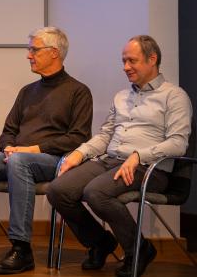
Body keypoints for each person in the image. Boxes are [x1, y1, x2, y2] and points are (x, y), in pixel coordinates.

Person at [0, 26, 93, 274]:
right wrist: (8, 147)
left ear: (54, 53)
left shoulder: (78, 92)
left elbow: (78, 138)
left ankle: (21, 248)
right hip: (17, 157)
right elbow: (9, 129)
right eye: (29, 49)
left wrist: (32, 149)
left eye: (34, 49)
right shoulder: (28, 91)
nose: (28, 55)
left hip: (53, 161)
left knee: (19, 161)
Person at [47, 35, 192, 277]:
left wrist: (138, 155)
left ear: (152, 59)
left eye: (132, 60)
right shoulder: (121, 96)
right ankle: (100, 242)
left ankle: (138, 249)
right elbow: (105, 136)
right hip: (110, 161)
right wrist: (79, 153)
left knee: (96, 192)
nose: (125, 67)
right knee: (58, 190)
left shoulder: (174, 96)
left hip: (149, 168)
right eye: (123, 60)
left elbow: (179, 143)